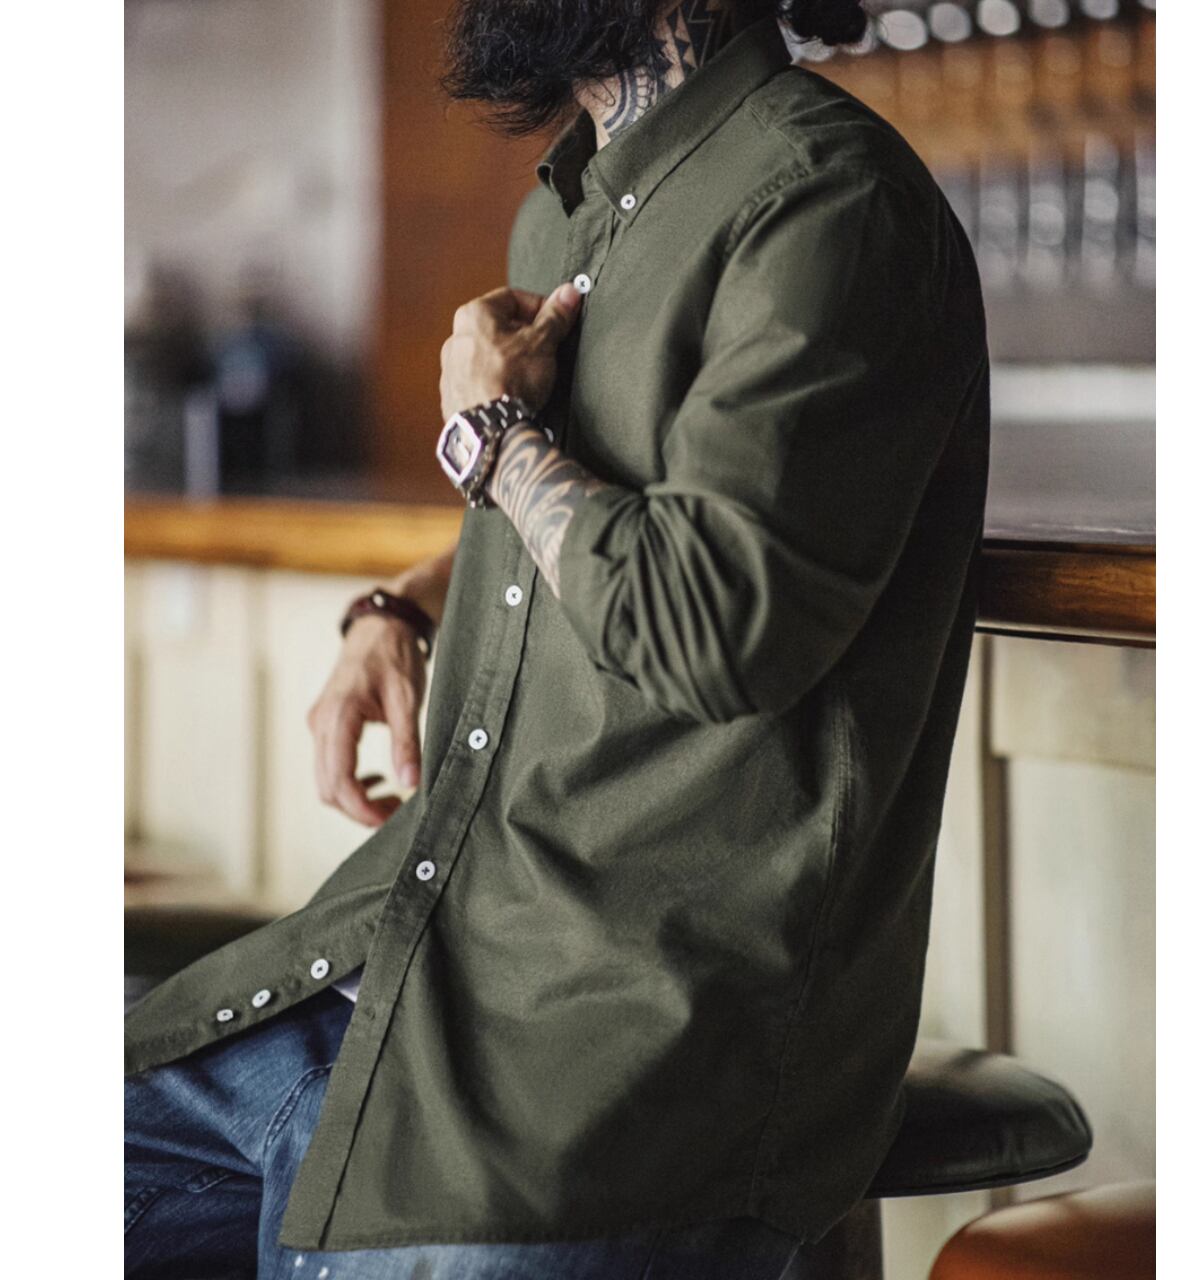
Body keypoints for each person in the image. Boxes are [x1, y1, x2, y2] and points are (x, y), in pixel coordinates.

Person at [124, 1, 990, 1276]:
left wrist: (492, 437)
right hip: (405, 972)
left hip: (606, 1060)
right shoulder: (568, 208)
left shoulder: (828, 204)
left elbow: (708, 622)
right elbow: (602, 523)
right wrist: (401, 602)